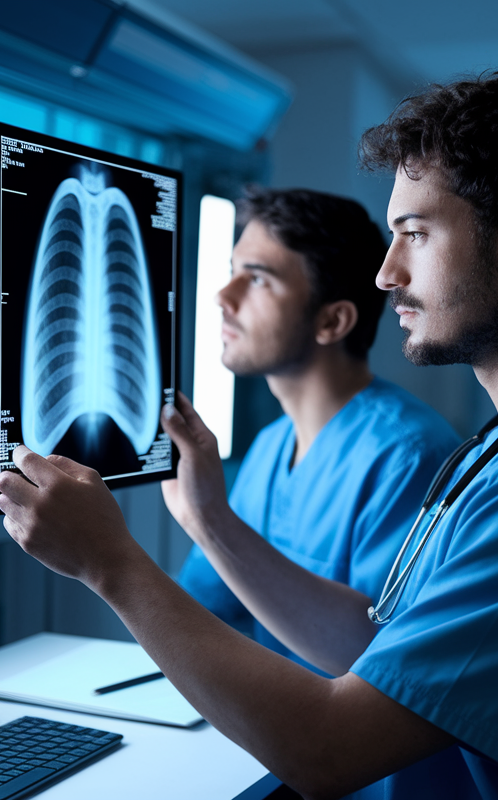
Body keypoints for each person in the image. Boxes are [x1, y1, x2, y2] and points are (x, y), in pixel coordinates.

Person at [0, 68, 498, 799]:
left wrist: (111, 562)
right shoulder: (482, 455)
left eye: (415, 232)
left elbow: (340, 723)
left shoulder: (464, 466)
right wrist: (201, 519)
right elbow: (370, 632)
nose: (387, 274)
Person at [176, 187, 460, 675]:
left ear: (332, 320)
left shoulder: (411, 456)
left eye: (258, 278)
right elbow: (203, 609)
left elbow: (378, 658)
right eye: (231, 273)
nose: (224, 296)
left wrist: (208, 520)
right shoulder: (270, 448)